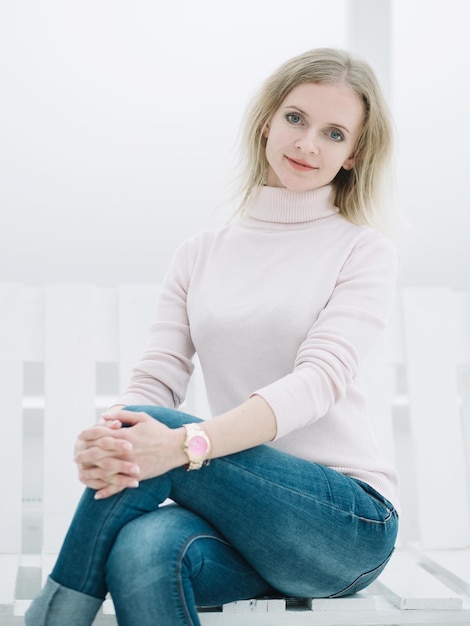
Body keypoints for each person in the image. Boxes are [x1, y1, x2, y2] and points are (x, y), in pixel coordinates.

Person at [26, 47, 400, 626]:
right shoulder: (201, 253)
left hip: (344, 526)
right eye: (296, 119)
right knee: (143, 548)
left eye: (333, 133)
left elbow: (317, 382)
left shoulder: (361, 251)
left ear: (353, 154)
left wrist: (183, 445)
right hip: (243, 526)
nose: (307, 144)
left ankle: (53, 617)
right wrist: (112, 438)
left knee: (168, 433)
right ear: (266, 122)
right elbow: (157, 378)